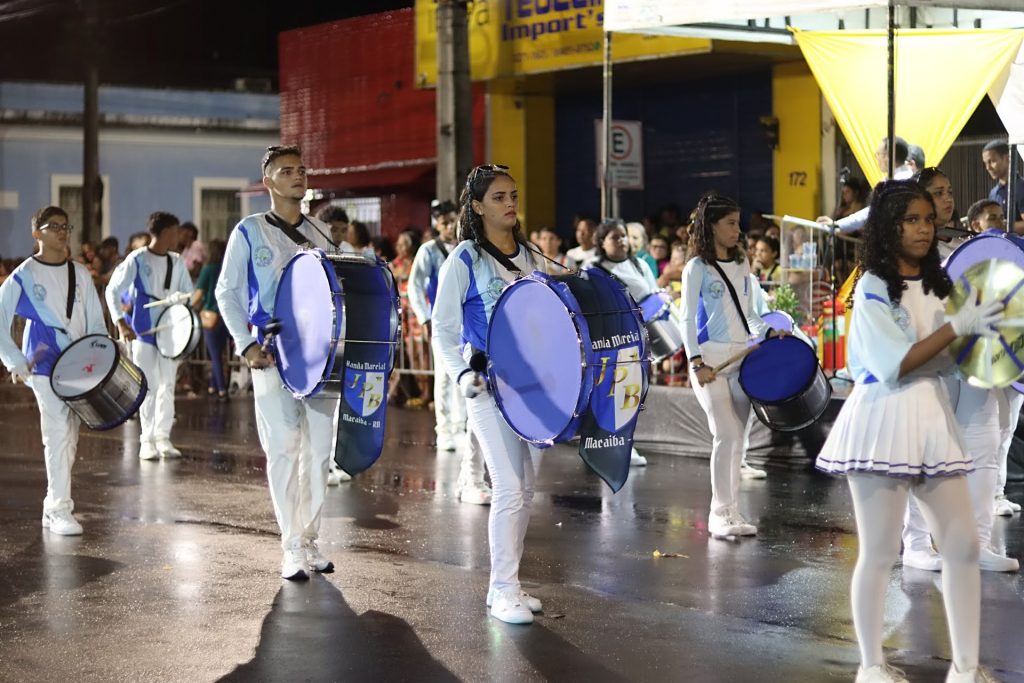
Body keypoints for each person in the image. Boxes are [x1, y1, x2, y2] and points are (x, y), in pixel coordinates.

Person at [815, 180, 999, 683]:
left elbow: (955, 359)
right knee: (879, 553)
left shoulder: (940, 284)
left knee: (962, 547)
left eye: (928, 219)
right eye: (911, 220)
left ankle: (965, 668)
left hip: (933, 417)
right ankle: (871, 666)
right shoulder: (872, 286)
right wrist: (958, 328)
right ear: (887, 227)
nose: (923, 229)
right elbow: (894, 363)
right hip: (883, 420)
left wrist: (987, 338)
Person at [216, 144, 346, 581]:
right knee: (284, 450)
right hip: (272, 353)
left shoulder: (322, 232)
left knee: (319, 451)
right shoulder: (249, 231)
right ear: (267, 182)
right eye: (286, 171)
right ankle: (290, 545)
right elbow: (227, 293)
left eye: (301, 169)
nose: (297, 176)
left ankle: (309, 538)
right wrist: (245, 345)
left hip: (320, 356)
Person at [432, 163, 543, 624]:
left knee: (527, 490)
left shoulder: (531, 255)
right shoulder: (464, 258)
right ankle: (501, 591)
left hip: (532, 387)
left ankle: (510, 582)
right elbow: (442, 329)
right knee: (510, 487)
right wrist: (461, 375)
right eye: (499, 197)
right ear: (477, 207)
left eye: (513, 195)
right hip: (486, 386)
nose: (510, 203)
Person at [0, 207, 108, 535]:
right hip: (45, 366)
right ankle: (60, 508)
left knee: (70, 437)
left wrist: (101, 356)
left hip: (79, 364)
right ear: (37, 234)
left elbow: (95, 321)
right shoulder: (24, 275)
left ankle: (52, 505)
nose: (63, 232)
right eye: (55, 226)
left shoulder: (80, 273)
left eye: (66, 226)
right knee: (58, 433)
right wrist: (15, 361)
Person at [679, 193, 776, 541]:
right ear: (712, 226)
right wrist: (696, 362)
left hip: (742, 360)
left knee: (738, 439)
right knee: (727, 434)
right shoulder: (696, 268)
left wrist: (769, 330)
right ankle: (718, 514)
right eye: (730, 223)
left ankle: (731, 510)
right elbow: (686, 319)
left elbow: (749, 314)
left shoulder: (741, 262)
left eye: (738, 222)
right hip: (710, 363)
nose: (738, 230)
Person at [408, 200, 491, 505]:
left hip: (465, 324)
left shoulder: (473, 251)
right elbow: (415, 285)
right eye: (443, 222)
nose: (447, 226)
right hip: (441, 321)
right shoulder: (429, 251)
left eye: (451, 220)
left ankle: (458, 426)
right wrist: (425, 317)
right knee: (444, 376)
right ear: (436, 224)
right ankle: (443, 428)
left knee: (465, 381)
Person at [105, 212, 194, 461]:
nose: (178, 237)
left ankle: (163, 437)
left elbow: (189, 291)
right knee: (149, 386)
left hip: (171, 332)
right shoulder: (137, 259)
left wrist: (181, 298)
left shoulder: (177, 261)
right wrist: (120, 323)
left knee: (168, 385)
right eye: (175, 232)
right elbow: (112, 290)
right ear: (164, 232)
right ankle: (147, 440)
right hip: (144, 332)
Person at [591, 219, 666, 468]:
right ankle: (612, 446)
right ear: (602, 242)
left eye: (623, 236)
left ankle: (624, 444)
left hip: (639, 340)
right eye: (615, 237)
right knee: (612, 395)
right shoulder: (594, 270)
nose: (622, 241)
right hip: (613, 341)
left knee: (632, 394)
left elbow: (653, 296)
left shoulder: (639, 264)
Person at [191, 238, 229, 402]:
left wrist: (188, 306)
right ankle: (213, 386)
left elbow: (199, 293)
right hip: (226, 316)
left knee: (214, 356)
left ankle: (222, 390)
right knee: (220, 354)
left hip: (210, 316)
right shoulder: (226, 268)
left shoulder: (208, 269)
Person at [982, 139, 1024, 233]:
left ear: (1007, 158)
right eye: (985, 163)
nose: (988, 167)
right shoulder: (994, 192)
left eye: (992, 161)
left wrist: (1001, 226)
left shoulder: (1021, 187)